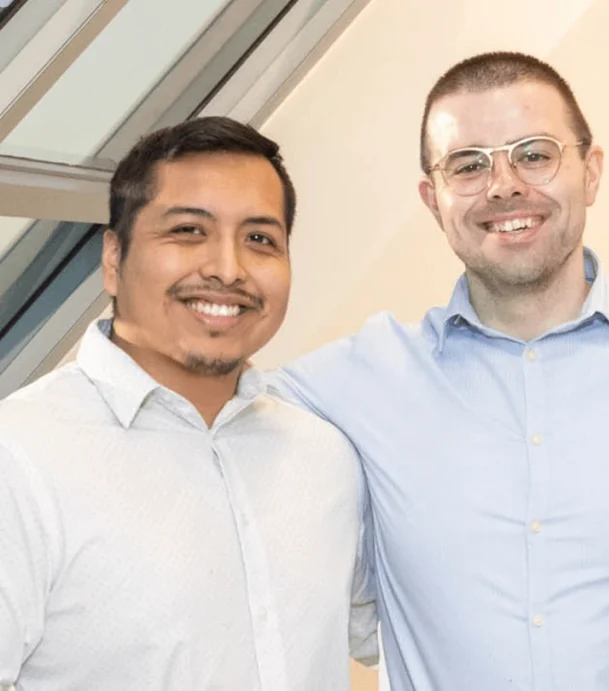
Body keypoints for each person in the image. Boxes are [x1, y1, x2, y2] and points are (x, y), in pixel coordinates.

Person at [272, 52, 609, 690]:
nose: (504, 185)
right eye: (469, 164)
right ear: (433, 199)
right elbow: (208, 407)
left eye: (534, 154)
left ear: (590, 173)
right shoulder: (357, 381)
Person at [0, 117, 377, 689]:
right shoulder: (20, 457)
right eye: (187, 231)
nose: (227, 269)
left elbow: (402, 635)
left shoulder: (326, 458)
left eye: (260, 240)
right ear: (112, 258)